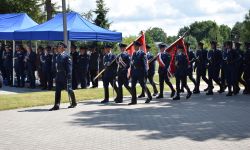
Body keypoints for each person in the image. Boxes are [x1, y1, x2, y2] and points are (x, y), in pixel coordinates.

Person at [49, 42, 77, 111]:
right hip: (58, 75)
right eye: (57, 47)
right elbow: (54, 66)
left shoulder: (67, 56)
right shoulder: (56, 56)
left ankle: (74, 102)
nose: (57, 48)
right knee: (57, 90)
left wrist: (69, 76)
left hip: (64, 76)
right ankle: (56, 105)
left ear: (63, 48)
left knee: (69, 89)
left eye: (59, 47)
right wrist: (54, 75)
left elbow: (69, 68)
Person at [129, 41, 152, 105]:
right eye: (134, 46)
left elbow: (145, 64)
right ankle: (134, 101)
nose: (134, 47)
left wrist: (145, 73)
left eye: (136, 46)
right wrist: (131, 72)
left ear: (138, 46)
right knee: (133, 86)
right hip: (134, 73)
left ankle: (149, 96)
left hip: (140, 72)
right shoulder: (134, 54)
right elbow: (132, 64)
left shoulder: (142, 54)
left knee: (143, 85)